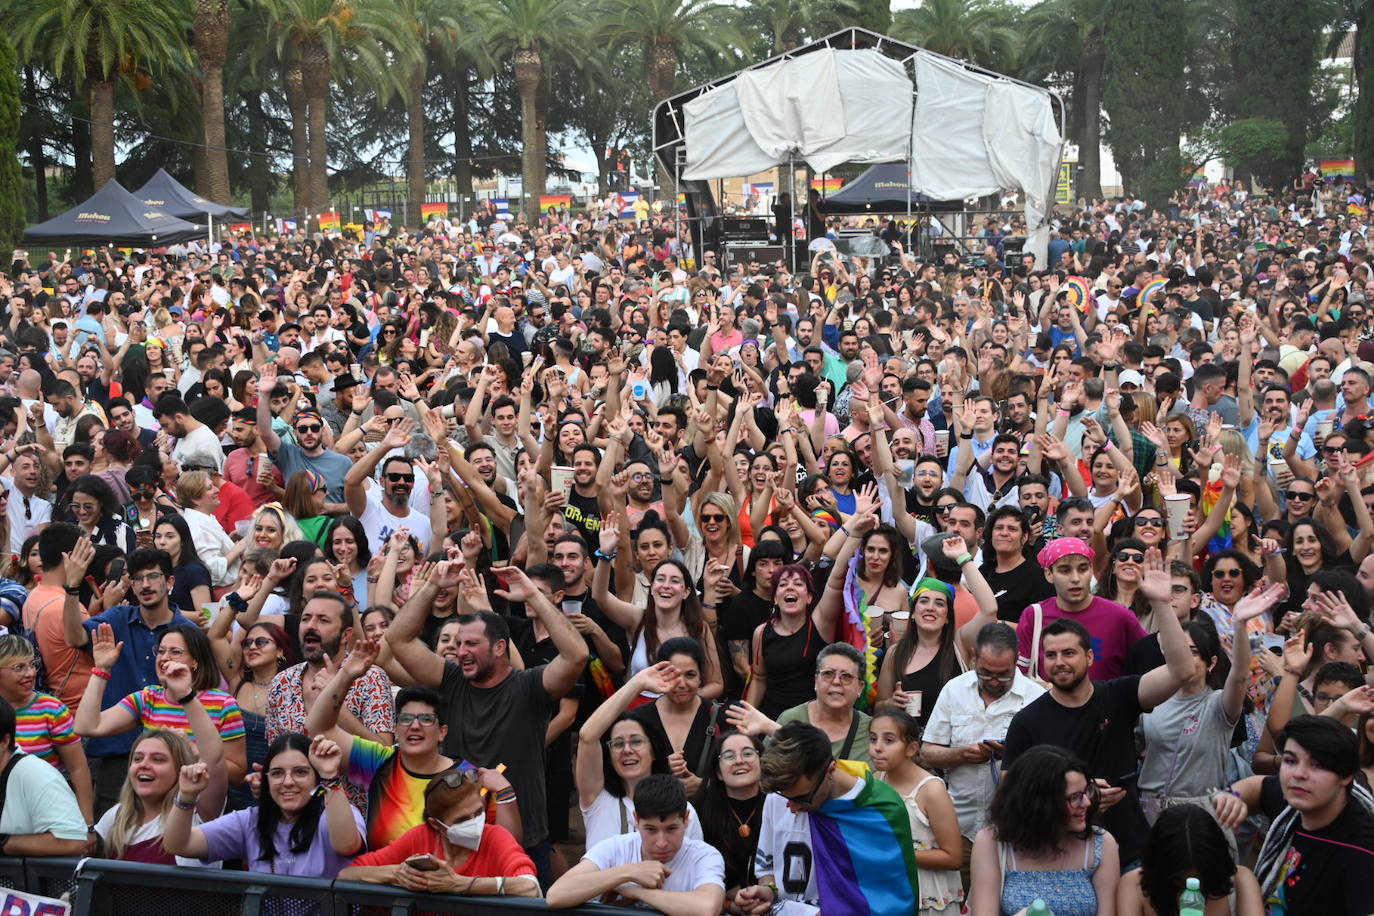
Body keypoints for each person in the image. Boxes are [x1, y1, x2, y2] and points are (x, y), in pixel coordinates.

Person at [386, 558, 589, 885]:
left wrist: (534, 597)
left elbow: (576, 656)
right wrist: (433, 586)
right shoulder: (451, 679)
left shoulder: (529, 687)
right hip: (457, 837)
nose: (460, 651)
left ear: (499, 648)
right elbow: (399, 640)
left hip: (519, 840)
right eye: (457, 643)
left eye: (471, 644)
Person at [1003, 547, 1194, 870]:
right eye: (1051, 656)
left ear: (1090, 658)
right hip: (1058, 854)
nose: (1060, 662)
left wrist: (1161, 603)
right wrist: (1076, 800)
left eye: (1069, 653)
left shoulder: (1118, 696)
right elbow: (1010, 797)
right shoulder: (1027, 721)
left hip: (1125, 848)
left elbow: (1181, 670)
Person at [306, 636, 520, 847]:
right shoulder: (379, 761)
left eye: (426, 719)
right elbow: (319, 728)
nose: (415, 726)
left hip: (448, 881)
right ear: (396, 730)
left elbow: (506, 846)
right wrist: (346, 676)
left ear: (442, 732)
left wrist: (505, 793)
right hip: (381, 878)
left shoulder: (469, 778)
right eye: (406, 719)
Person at [735, 721, 919, 916]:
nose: (792, 807)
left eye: (801, 798)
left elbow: (892, 903)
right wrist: (768, 892)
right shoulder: (779, 795)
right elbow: (767, 867)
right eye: (785, 797)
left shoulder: (882, 810)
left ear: (831, 771)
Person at [922, 621, 1045, 887]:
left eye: (1003, 675)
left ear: (1016, 663)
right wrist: (961, 755)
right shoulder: (954, 690)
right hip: (959, 830)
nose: (993, 682)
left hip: (1017, 833)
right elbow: (928, 752)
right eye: (986, 672)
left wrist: (1014, 757)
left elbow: (1050, 767)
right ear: (973, 657)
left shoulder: (1036, 698)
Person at [1211, 715, 1374, 914]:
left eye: (1317, 765)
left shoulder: (1360, 849)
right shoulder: (1295, 803)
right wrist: (1231, 796)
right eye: (1290, 760)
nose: (1299, 774)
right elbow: (1259, 786)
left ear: (1347, 776)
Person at [163, 732, 366, 875]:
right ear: (266, 780)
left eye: (300, 772)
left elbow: (346, 845)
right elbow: (179, 844)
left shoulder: (336, 813)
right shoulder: (250, 821)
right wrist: (186, 797)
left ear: (316, 778)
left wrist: (330, 776)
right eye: (277, 773)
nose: (288, 782)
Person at [338, 769, 541, 898]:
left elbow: (530, 887)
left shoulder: (496, 836)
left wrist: (461, 884)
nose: (475, 822)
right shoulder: (419, 836)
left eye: (478, 813)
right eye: (462, 820)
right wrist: (397, 874)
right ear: (437, 825)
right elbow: (347, 875)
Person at [968, 744, 1120, 916]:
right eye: (1075, 797)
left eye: (1087, 791)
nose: (1087, 802)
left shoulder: (1100, 843)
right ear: (1040, 804)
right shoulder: (992, 842)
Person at [548, 774, 726, 915]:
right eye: (651, 829)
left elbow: (707, 908)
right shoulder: (615, 847)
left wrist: (636, 892)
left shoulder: (704, 855)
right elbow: (556, 895)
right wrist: (628, 872)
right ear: (636, 820)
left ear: (686, 819)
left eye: (671, 829)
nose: (662, 842)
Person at [577, 661, 706, 848]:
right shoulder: (598, 797)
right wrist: (637, 683)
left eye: (636, 741)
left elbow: (695, 870)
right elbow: (587, 736)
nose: (627, 750)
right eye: (618, 743)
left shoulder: (682, 808)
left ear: (654, 751)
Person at [869, 709, 964, 916]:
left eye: (889, 740)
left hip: (927, 894)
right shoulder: (876, 780)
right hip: (889, 891)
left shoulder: (931, 790)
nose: (877, 748)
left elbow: (953, 857)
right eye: (873, 739)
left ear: (911, 748)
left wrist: (897, 854)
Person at [1116, 804, 1263, 916]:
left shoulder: (1242, 881)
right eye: (1178, 883)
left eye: (1202, 883)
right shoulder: (1133, 886)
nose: (1190, 893)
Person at [0, 696, 88, 857]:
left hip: (33, 881)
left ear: (5, 741)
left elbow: (74, 841)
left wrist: (5, 843)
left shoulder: (36, 774)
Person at [690, 730, 764, 908]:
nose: (740, 761)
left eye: (748, 753)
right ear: (718, 772)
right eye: (729, 756)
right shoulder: (698, 810)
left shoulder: (781, 805)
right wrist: (728, 904)